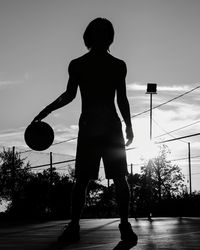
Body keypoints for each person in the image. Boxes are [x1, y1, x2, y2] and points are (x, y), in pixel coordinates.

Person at [32, 17, 138, 246]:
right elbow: (71, 95)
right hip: (101, 127)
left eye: (102, 32)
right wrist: (47, 110)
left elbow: (122, 98)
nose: (100, 37)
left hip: (100, 127)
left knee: (108, 179)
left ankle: (113, 225)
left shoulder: (108, 65)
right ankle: (83, 226)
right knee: (91, 179)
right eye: (97, 32)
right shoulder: (87, 64)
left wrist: (129, 124)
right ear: (92, 36)